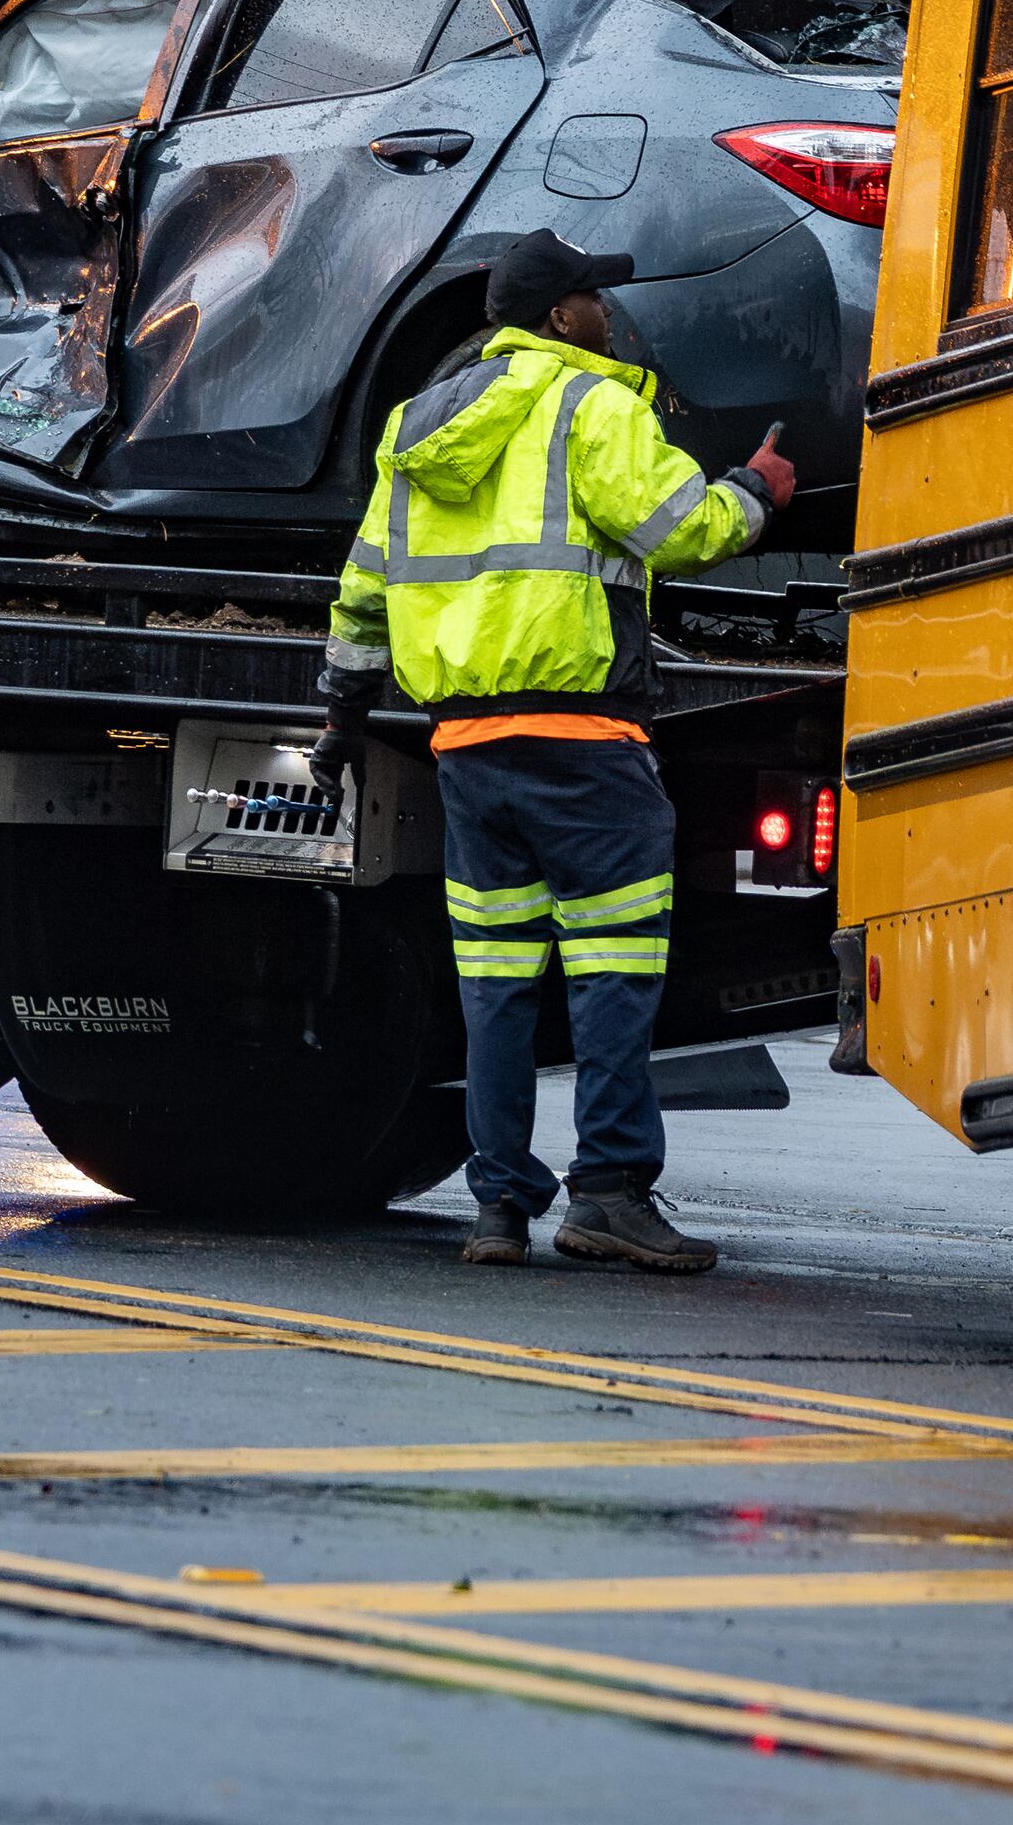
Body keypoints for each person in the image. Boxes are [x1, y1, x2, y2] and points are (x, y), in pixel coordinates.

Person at [307, 230, 797, 1272]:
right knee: (613, 973)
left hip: (470, 749)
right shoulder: (594, 407)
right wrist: (756, 487)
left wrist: (344, 714)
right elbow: (681, 530)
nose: (607, 314)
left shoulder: (416, 425)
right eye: (591, 297)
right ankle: (610, 1193)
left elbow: (364, 584)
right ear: (556, 315)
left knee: (496, 982)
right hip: (585, 744)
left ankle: (498, 1208)